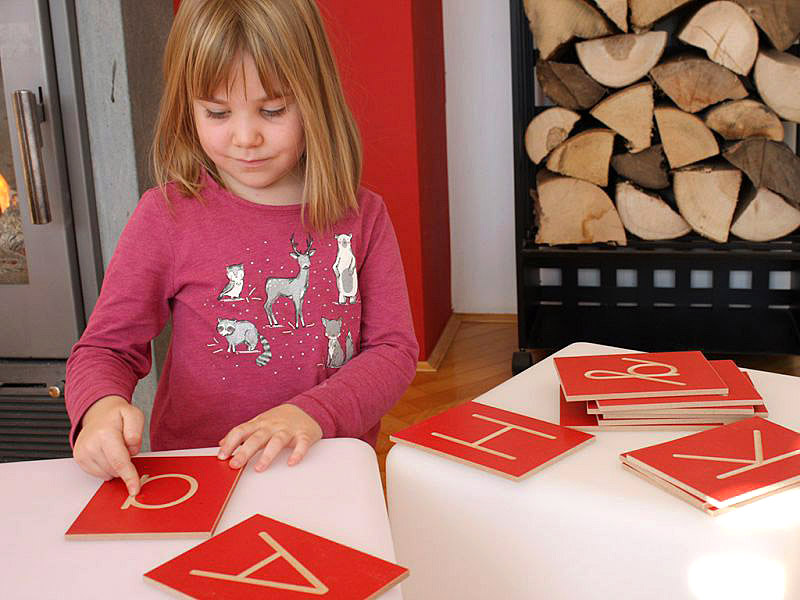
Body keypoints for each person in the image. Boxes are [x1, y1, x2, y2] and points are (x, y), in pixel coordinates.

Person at [65, 0, 418, 497]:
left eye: (273, 110)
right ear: (187, 108)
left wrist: (313, 412)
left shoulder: (364, 216)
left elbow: (393, 352)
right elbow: (105, 347)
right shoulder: (165, 216)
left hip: (325, 469)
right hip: (201, 476)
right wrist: (99, 407)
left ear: (315, 100)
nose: (246, 137)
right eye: (217, 112)